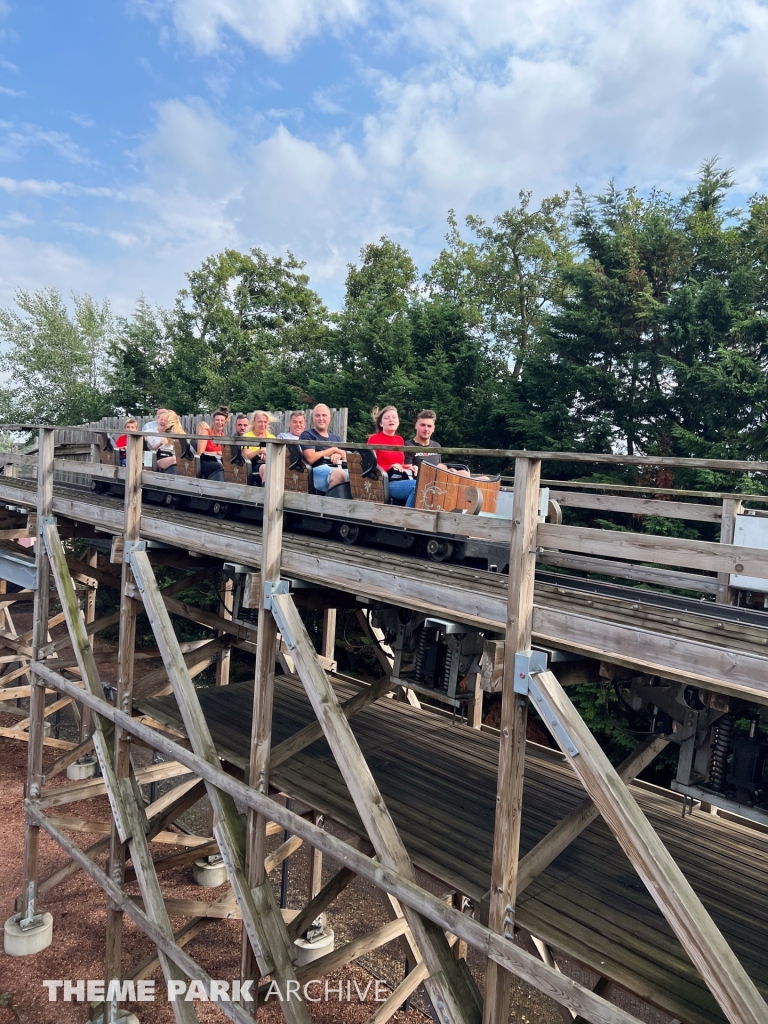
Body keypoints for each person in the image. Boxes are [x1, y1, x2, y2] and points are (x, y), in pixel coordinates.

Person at [367, 406, 417, 507]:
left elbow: (399, 464)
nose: (391, 420)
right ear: (381, 423)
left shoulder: (399, 440)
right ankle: (407, 518)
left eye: (394, 417)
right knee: (417, 486)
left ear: (398, 422)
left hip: (399, 479)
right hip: (383, 482)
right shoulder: (374, 439)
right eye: (387, 418)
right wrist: (389, 467)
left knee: (425, 484)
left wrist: (409, 467)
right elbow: (369, 465)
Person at [299, 404, 348, 492]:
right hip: (316, 471)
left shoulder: (336, 438)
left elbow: (344, 456)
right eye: (317, 415)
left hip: (337, 467)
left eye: (324, 415)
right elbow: (310, 458)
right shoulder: (307, 435)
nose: (321, 418)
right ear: (313, 418)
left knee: (357, 476)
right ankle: (331, 505)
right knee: (339, 474)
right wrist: (333, 450)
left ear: (329, 418)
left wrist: (338, 454)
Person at [196, 406, 229, 481]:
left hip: (218, 460)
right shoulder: (205, 432)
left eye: (222, 420)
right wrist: (216, 452)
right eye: (217, 420)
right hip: (205, 461)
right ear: (213, 421)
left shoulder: (223, 435)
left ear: (225, 422)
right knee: (218, 466)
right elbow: (200, 453)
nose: (219, 422)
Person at [243, 410, 276, 483]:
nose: (263, 424)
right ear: (254, 423)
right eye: (260, 421)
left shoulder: (272, 437)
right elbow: (246, 456)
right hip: (253, 466)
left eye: (265, 422)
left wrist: (267, 455)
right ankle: (266, 492)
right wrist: (260, 451)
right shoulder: (247, 437)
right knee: (266, 468)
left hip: (270, 463)